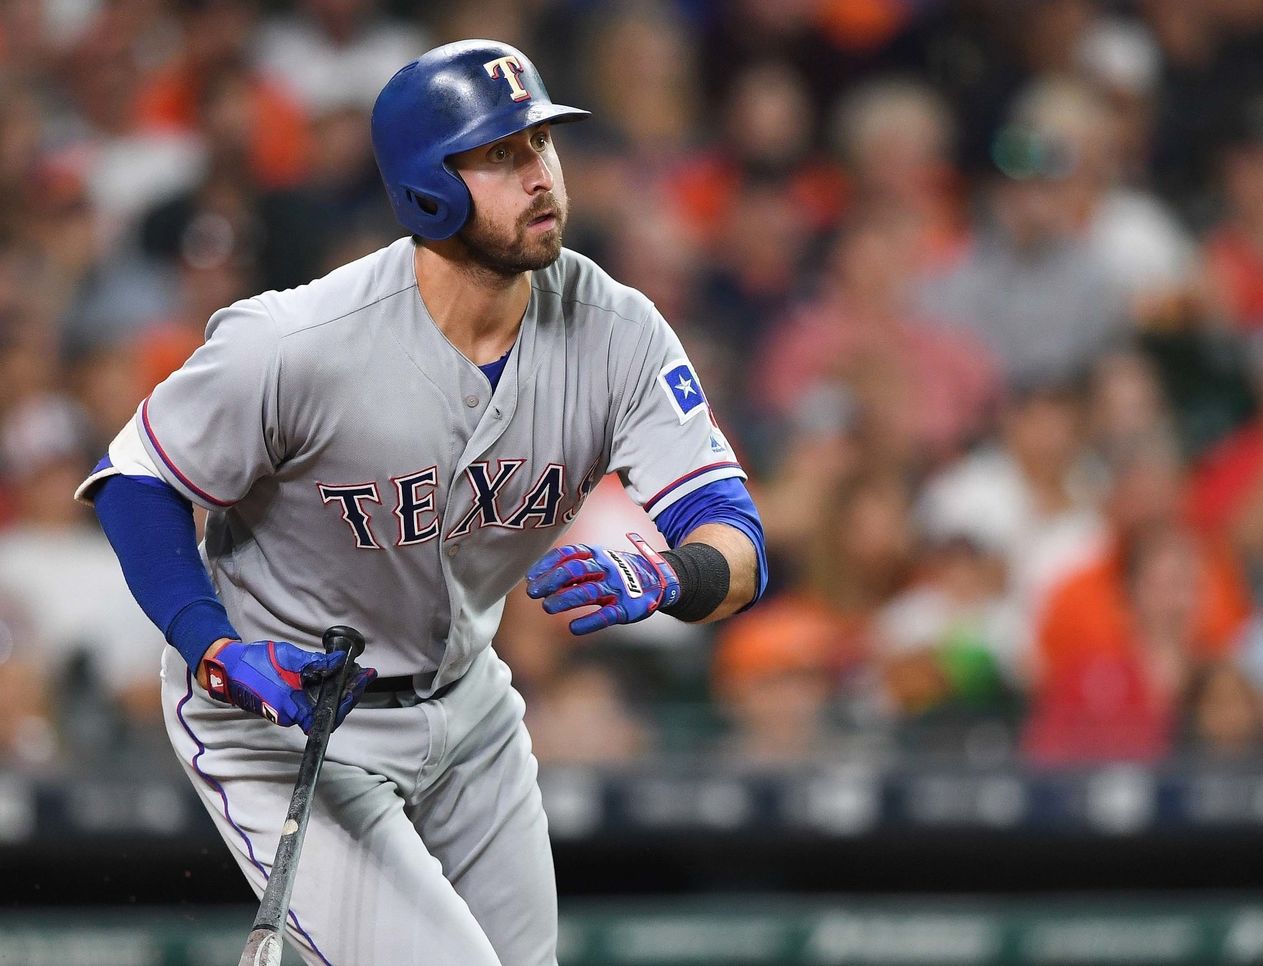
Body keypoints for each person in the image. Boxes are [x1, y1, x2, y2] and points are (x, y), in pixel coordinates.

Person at [77, 40, 766, 966]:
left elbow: (737, 542)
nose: (539, 177)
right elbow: (136, 480)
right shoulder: (297, 342)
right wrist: (213, 652)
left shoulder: (617, 331)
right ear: (424, 187)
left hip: (467, 701)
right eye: (501, 155)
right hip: (287, 715)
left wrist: (670, 577)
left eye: (542, 145)